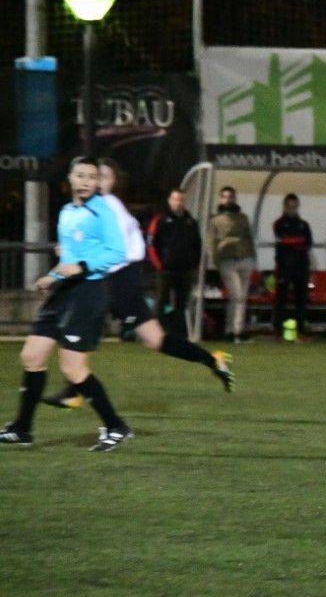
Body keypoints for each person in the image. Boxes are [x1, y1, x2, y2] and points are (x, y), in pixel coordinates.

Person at [41, 160, 234, 411]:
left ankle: (76, 393)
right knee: (149, 338)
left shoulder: (107, 205)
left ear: (110, 181)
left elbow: (116, 250)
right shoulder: (94, 208)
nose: (94, 180)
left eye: (101, 176)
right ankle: (212, 360)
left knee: (147, 338)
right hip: (113, 277)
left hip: (120, 278)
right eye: (91, 175)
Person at [0, 157, 133, 451]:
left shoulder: (103, 212)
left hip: (89, 292)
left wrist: (83, 266)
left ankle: (116, 426)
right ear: (70, 178)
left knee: (73, 370)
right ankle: (22, 428)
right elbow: (67, 258)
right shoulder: (66, 212)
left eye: (91, 177)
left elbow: (117, 251)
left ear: (97, 182)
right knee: (32, 356)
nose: (86, 181)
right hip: (64, 291)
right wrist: (51, 275)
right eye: (80, 175)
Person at [147, 187, 202, 337]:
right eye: (176, 199)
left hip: (185, 270)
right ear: (170, 201)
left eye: (181, 200)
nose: (179, 203)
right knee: (160, 302)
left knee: (181, 305)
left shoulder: (191, 222)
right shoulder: (160, 220)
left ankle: (177, 335)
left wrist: (194, 265)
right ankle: (155, 334)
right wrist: (159, 265)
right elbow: (151, 244)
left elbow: (197, 245)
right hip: (166, 269)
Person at [207, 185, 257, 343]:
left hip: (244, 257)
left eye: (230, 196)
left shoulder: (243, 217)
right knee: (237, 295)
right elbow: (211, 241)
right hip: (226, 258)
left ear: (234, 198)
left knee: (241, 297)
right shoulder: (215, 219)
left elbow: (249, 237)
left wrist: (253, 257)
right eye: (225, 196)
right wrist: (215, 259)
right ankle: (234, 330)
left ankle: (234, 330)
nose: (228, 199)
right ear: (221, 198)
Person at [272, 193, 313, 339]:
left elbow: (307, 243)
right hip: (284, 267)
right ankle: (277, 331)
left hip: (301, 267)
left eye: (294, 206)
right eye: (289, 206)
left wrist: (292, 242)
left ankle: (301, 331)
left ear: (297, 207)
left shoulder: (304, 224)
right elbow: (283, 239)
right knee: (281, 300)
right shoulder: (279, 223)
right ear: (284, 207)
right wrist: (296, 241)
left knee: (301, 300)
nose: (291, 209)